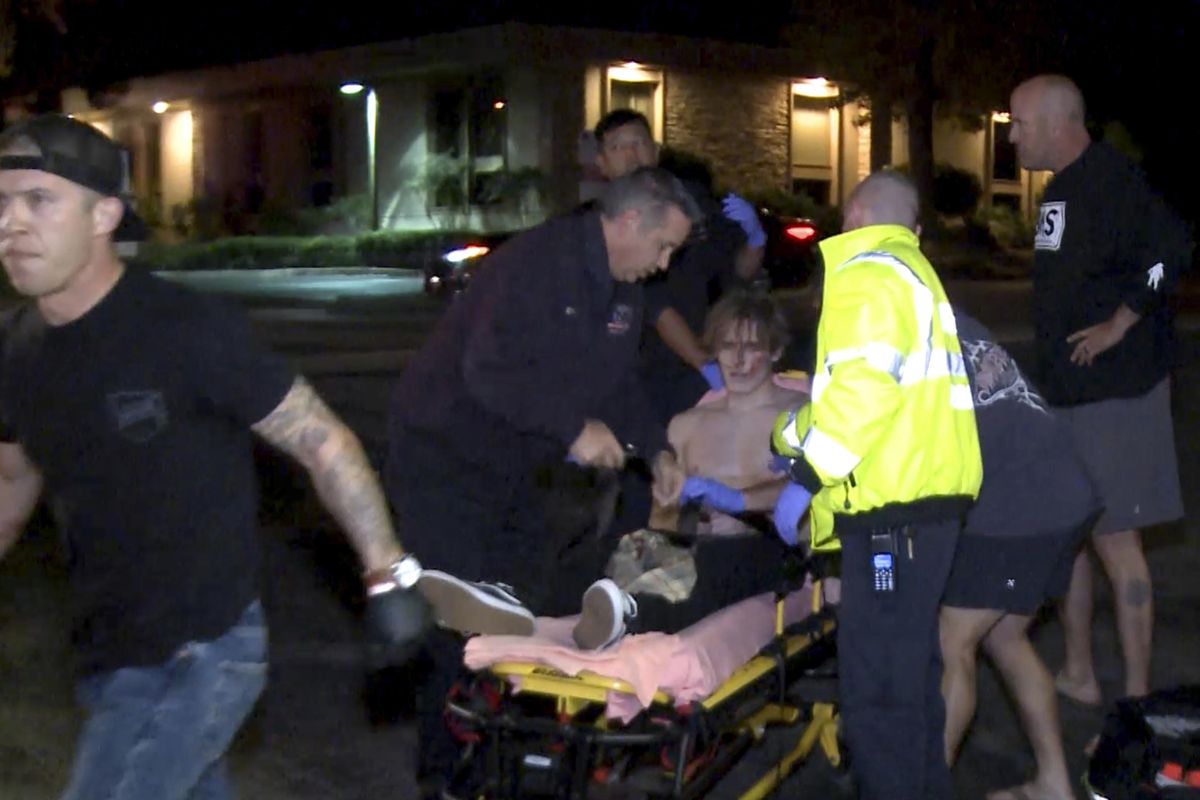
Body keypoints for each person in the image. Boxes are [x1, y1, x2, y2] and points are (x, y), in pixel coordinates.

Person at [0, 114, 432, 800]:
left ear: (104, 214)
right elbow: (12, 475)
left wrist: (388, 574)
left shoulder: (184, 329)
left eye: (39, 201)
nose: (11, 224)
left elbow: (321, 439)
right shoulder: (18, 348)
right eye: (1, 201)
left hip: (204, 651)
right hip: (106, 651)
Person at [382, 165, 700, 797]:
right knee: (459, 617)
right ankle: (444, 776)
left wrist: (657, 446)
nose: (664, 264)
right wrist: (573, 427)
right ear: (629, 220)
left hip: (513, 466)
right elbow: (487, 369)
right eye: (663, 246)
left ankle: (510, 758)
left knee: (523, 607)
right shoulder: (538, 261)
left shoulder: (623, 291)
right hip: (442, 457)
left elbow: (618, 382)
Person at [769, 169, 982, 800]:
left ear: (855, 210)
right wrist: (793, 433)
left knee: (878, 688)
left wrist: (806, 473)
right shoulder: (914, 277)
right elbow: (873, 393)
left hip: (891, 522)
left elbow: (864, 391)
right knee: (909, 678)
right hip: (922, 509)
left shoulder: (866, 271)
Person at [1009, 74, 1192, 709]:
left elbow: (1173, 250)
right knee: (1073, 537)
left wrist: (1122, 322)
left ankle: (1137, 699)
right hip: (1068, 397)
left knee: (1116, 542)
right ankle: (1080, 672)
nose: (1013, 134)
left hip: (1114, 397)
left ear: (1060, 121)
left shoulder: (1113, 180)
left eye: (1020, 123)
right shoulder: (1062, 189)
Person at [940, 309, 1101, 800]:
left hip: (1025, 502)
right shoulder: (941, 312)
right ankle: (1053, 783)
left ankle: (923, 785)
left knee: (952, 641)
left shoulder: (899, 334)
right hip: (1059, 487)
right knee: (1005, 637)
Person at [589, 109, 767, 424]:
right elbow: (654, 303)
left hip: (696, 373)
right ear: (601, 162)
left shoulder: (693, 204)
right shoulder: (596, 225)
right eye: (618, 147)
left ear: (656, 151)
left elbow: (738, 272)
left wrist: (755, 238)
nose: (632, 155)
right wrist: (704, 362)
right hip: (633, 375)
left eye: (639, 143)